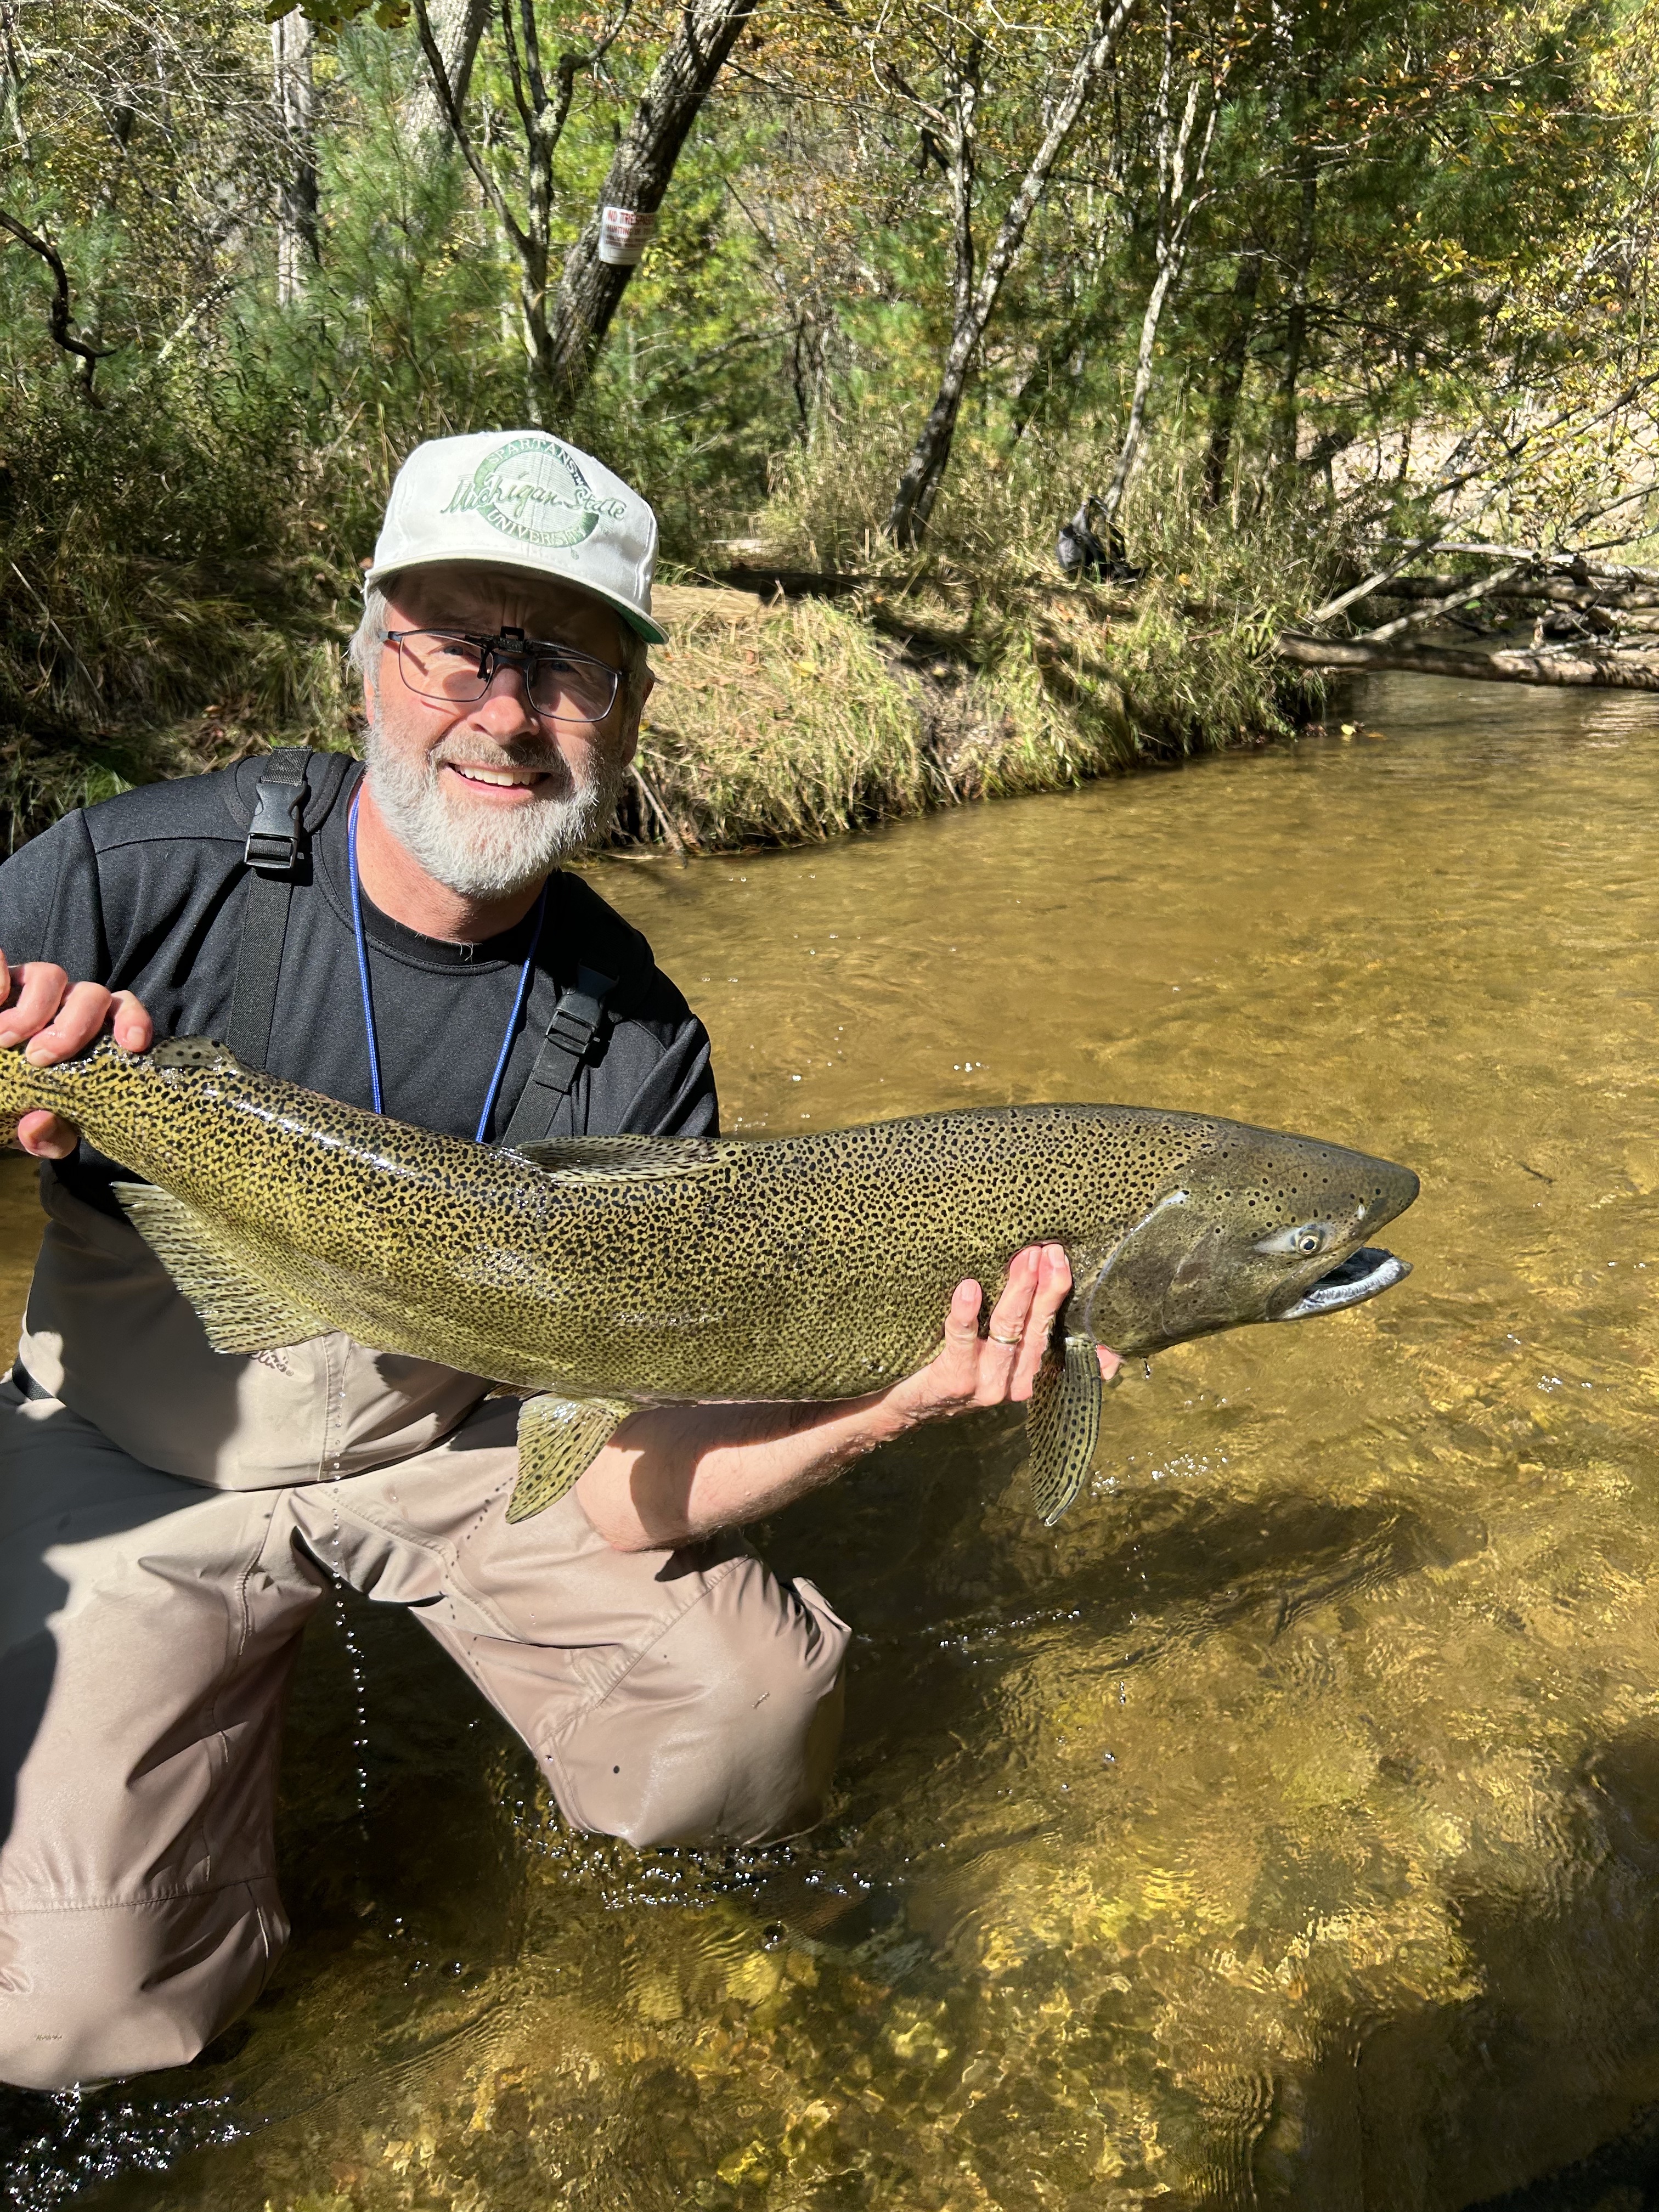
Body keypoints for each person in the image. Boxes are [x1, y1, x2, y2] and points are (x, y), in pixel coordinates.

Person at [0, 430, 1116, 2091]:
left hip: (456, 1440)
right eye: (462, 642)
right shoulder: (125, 877)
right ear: (373, 657)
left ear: (632, 711)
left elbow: (613, 1481)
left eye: (569, 664)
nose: (509, 714)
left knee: (742, 1726)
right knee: (74, 2015)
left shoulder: (639, 1041)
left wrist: (892, 1402)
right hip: (131, 1454)